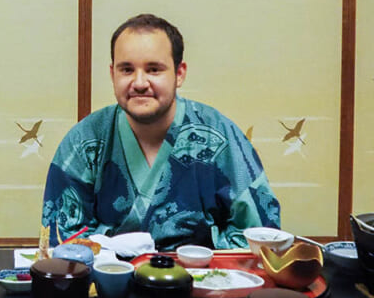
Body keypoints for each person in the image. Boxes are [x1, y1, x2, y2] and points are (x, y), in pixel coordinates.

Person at [41, 14, 280, 250]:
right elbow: (63, 241)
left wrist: (198, 249)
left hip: (201, 279)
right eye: (126, 70)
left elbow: (261, 235)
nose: (139, 82)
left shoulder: (218, 136)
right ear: (112, 73)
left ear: (179, 73)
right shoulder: (85, 141)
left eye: (154, 69)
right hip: (107, 282)